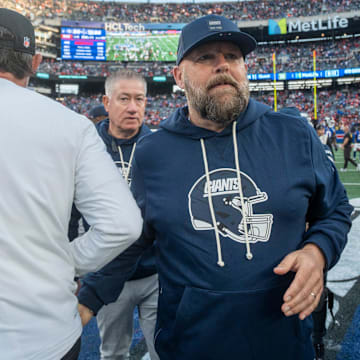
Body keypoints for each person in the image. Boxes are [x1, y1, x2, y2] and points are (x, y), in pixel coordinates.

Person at [78, 15, 353, 360]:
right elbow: (134, 241)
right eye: (205, 57)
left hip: (283, 338)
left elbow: (336, 211)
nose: (222, 65)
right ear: (179, 76)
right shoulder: (154, 152)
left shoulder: (294, 133)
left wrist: (318, 252)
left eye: (232, 56)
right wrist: (85, 301)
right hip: (191, 343)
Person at [0, 9, 142, 360]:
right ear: (34, 61)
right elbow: (123, 225)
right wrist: (65, 260)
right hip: (42, 333)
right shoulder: (71, 125)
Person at [78, 70, 159, 360]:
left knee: (164, 350)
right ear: (107, 101)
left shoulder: (161, 147)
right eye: (124, 99)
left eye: (139, 99)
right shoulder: (85, 148)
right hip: (107, 273)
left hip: (154, 273)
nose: (133, 107)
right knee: (113, 353)